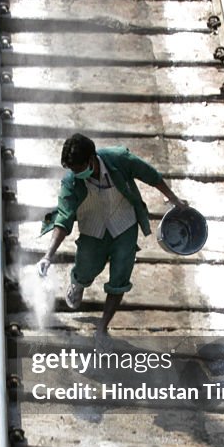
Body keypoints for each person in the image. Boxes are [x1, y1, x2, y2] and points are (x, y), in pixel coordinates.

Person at [37, 133, 186, 335]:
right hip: (92, 226)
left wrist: (174, 199)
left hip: (124, 223)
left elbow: (151, 176)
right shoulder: (71, 182)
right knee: (87, 266)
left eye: (79, 169)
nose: (76, 173)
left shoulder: (119, 159)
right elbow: (63, 219)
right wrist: (48, 255)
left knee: (120, 277)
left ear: (92, 159)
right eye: (73, 170)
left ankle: (102, 327)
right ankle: (78, 283)